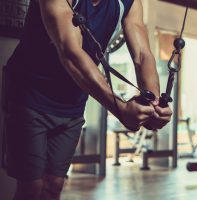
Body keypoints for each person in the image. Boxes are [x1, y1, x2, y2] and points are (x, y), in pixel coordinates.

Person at [2, 0, 172, 199]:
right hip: (30, 95)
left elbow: (143, 55)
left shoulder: (129, 3)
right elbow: (71, 52)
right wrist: (120, 109)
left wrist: (153, 105)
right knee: (31, 187)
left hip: (72, 101)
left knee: (54, 185)